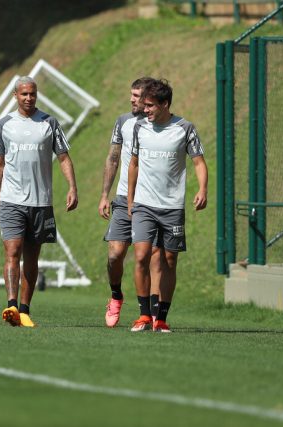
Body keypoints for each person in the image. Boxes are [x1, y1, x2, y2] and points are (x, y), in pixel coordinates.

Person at [0, 76, 78, 328]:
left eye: (33, 94)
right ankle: (11, 305)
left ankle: (25, 311)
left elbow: (63, 157)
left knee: (31, 257)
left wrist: (72, 187)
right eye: (24, 94)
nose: (29, 98)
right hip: (11, 200)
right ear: (15, 96)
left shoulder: (49, 123)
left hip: (41, 202)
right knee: (12, 251)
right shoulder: (4, 124)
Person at [127, 79, 208, 332]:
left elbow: (198, 162)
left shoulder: (184, 128)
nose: (145, 110)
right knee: (141, 256)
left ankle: (160, 318)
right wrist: (130, 200)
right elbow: (134, 164)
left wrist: (202, 189)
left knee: (169, 260)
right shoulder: (140, 128)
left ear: (164, 104)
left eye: (150, 105)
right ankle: (143, 315)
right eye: (144, 105)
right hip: (144, 204)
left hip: (172, 207)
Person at [98, 77, 163, 328]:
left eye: (137, 96)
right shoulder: (123, 122)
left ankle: (154, 311)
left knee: (150, 256)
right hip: (124, 197)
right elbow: (113, 158)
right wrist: (105, 195)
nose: (132, 100)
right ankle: (116, 296)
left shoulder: (160, 124)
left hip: (151, 200)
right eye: (132, 95)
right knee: (115, 254)